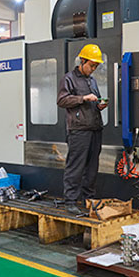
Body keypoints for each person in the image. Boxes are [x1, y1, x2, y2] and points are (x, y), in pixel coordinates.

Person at [57, 44, 108, 215]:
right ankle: (70, 201)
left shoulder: (92, 81)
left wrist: (100, 105)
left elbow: (94, 101)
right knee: (76, 166)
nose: (93, 69)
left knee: (92, 167)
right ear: (83, 61)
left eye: (96, 66)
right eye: (91, 65)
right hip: (79, 130)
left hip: (95, 128)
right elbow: (62, 100)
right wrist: (83, 98)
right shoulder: (69, 79)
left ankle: (89, 199)